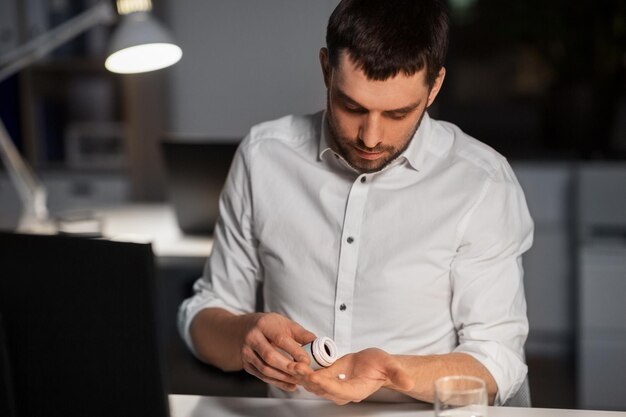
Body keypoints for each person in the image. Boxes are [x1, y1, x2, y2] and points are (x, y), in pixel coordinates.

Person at [178, 0, 533, 406]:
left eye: (398, 113)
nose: (370, 137)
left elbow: (497, 358)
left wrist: (389, 371)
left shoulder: (481, 182)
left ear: (434, 88)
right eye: (352, 107)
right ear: (326, 69)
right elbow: (204, 315)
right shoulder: (263, 157)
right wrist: (244, 335)